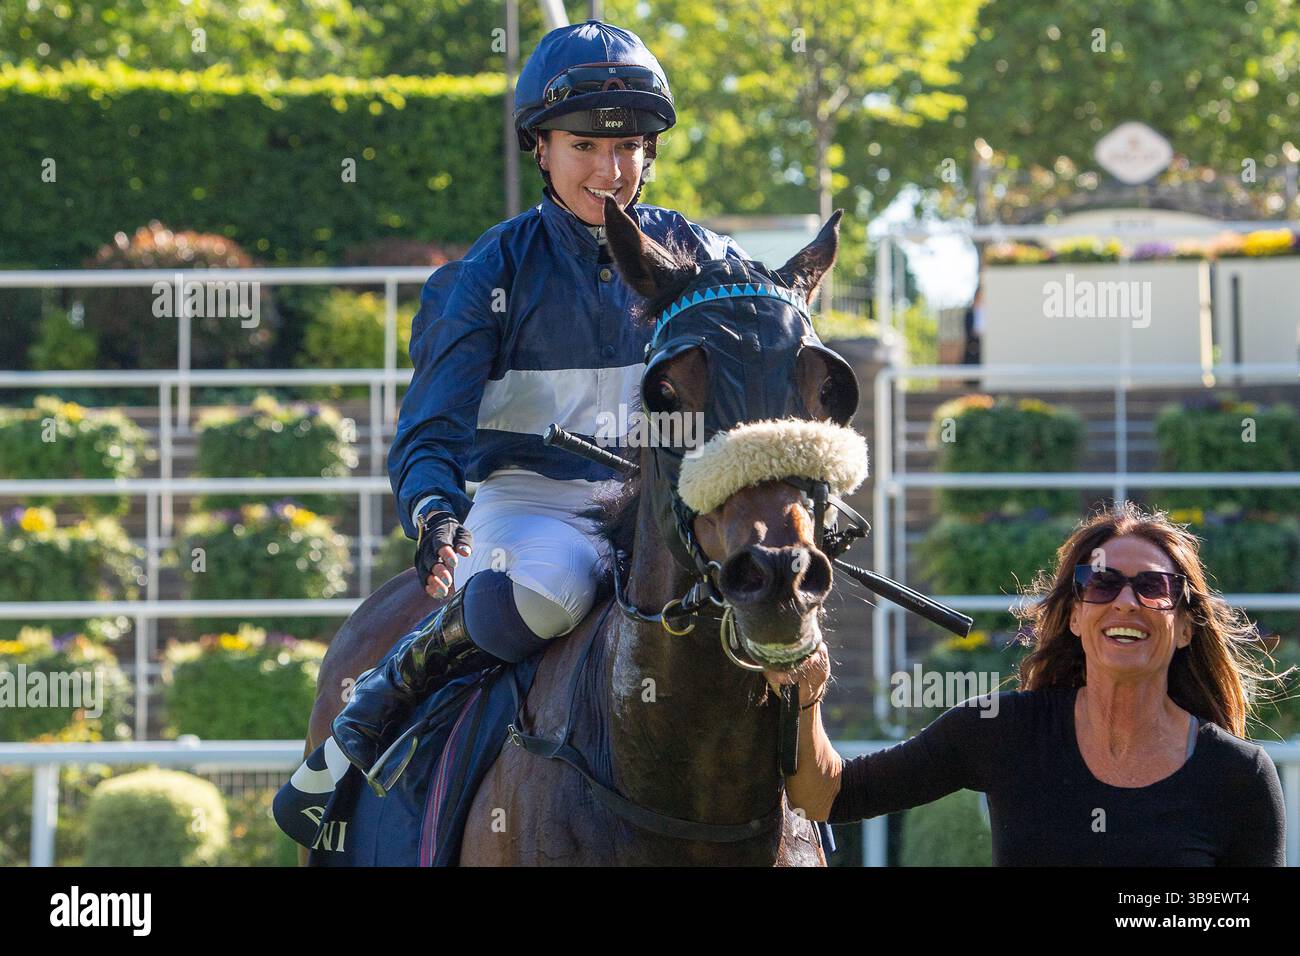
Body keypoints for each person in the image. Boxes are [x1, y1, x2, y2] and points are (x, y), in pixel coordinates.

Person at [332, 20, 749, 775]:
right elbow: (430, 434)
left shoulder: (705, 258)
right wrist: (434, 514)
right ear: (542, 150)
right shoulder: (489, 272)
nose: (609, 169)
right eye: (584, 146)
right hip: (532, 507)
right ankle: (406, 671)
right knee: (556, 591)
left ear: (648, 153)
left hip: (664, 509)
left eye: (626, 148)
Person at [768, 501, 1287, 865]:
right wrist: (806, 688)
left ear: (1185, 628)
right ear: (1076, 617)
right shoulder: (1005, 730)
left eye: (1153, 587)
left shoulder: (1240, 777)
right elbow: (828, 796)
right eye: (1102, 583)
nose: (1126, 602)